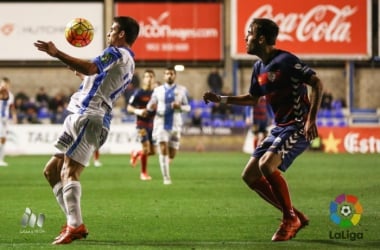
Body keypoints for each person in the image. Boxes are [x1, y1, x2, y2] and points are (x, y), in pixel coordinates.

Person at [203, 18, 323, 241]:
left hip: (297, 126)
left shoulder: (286, 61)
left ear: (260, 38)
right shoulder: (258, 67)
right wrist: (219, 99)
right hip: (279, 128)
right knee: (249, 175)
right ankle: (294, 214)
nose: (244, 38)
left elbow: (316, 83)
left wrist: (311, 120)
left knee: (266, 165)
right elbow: (252, 99)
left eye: (248, 33)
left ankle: (289, 219)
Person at [34, 16, 140, 245]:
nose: (110, 33)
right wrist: (76, 68)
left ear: (122, 34)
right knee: (51, 171)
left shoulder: (116, 52)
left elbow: (92, 67)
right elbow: (95, 77)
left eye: (113, 29)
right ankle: (74, 222)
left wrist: (58, 53)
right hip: (79, 114)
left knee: (69, 173)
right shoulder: (128, 61)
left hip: (90, 116)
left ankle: (75, 225)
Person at [146, 67, 191, 185]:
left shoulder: (182, 90)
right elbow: (150, 105)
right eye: (167, 74)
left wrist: (179, 107)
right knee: (163, 149)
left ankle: (166, 167)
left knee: (172, 154)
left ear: (175, 75)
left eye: (171, 73)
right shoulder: (158, 90)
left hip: (175, 125)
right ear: (164, 76)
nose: (169, 75)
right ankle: (166, 178)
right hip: (160, 124)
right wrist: (151, 107)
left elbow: (188, 107)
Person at [127, 69, 156, 181]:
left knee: (152, 152)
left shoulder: (156, 93)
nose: (149, 78)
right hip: (141, 125)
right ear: (143, 79)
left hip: (153, 125)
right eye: (147, 76)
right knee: (145, 148)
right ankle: (143, 173)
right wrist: (139, 111)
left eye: (151, 76)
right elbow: (129, 107)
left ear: (154, 79)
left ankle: (136, 153)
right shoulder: (138, 93)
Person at [0, 77, 17, 166]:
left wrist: (14, 116)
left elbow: (11, 107)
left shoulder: (10, 95)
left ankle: (1, 159)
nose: (4, 86)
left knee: (3, 139)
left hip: (4, 120)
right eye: (3, 84)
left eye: (6, 85)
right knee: (2, 139)